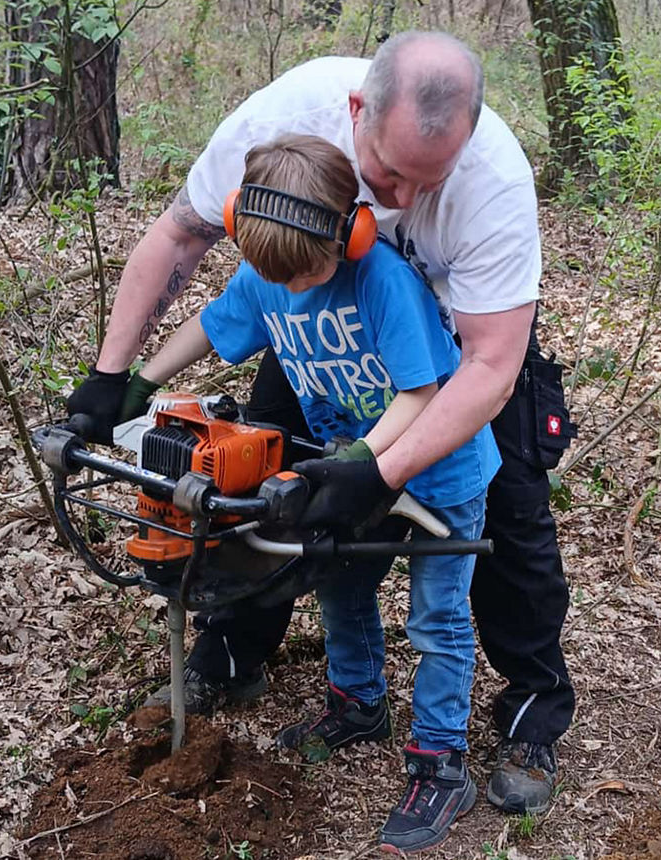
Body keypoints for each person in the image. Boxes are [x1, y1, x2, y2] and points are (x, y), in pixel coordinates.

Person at [66, 31, 577, 815]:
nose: (402, 200)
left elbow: (483, 371)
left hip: (449, 361)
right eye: (390, 175)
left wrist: (372, 468)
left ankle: (523, 714)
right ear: (356, 114)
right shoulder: (279, 151)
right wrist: (121, 380)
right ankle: (255, 658)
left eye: (427, 182)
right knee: (290, 514)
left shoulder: (487, 188)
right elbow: (187, 251)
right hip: (335, 369)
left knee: (506, 521)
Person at [128, 133, 500, 853]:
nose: (296, 289)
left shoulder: (382, 281)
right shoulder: (270, 272)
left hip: (439, 468)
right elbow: (213, 324)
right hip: (348, 469)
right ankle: (359, 703)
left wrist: (362, 460)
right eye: (281, 277)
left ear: (349, 234)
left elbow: (422, 394)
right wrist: (134, 383)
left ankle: (440, 761)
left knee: (437, 616)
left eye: (308, 273)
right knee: (339, 584)